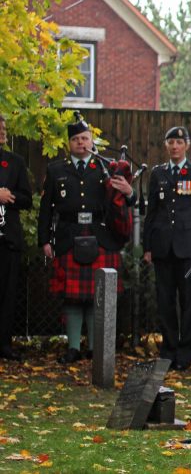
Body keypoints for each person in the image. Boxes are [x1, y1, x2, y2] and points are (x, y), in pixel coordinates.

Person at [39, 118, 135, 363]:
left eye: (84, 138)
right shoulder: (56, 170)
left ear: (92, 141)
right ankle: (73, 348)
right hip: (68, 235)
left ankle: (95, 348)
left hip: (101, 235)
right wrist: (45, 241)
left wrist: (130, 192)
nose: (80, 143)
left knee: (97, 295)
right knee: (71, 297)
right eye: (75, 139)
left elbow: (126, 202)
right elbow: (46, 210)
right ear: (68, 143)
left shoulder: (108, 168)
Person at [142, 126, 191, 371]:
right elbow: (151, 212)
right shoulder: (158, 174)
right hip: (162, 246)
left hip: (189, 246)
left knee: (188, 301)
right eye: (170, 142)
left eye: (179, 142)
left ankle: (186, 351)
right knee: (165, 301)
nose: (174, 146)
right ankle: (168, 349)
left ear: (187, 146)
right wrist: (147, 245)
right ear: (166, 146)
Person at [0, 114, 32, 360]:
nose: (3, 133)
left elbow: (26, 199)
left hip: (8, 239)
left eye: (4, 129)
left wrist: (9, 196)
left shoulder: (15, 162)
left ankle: (4, 345)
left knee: (7, 294)